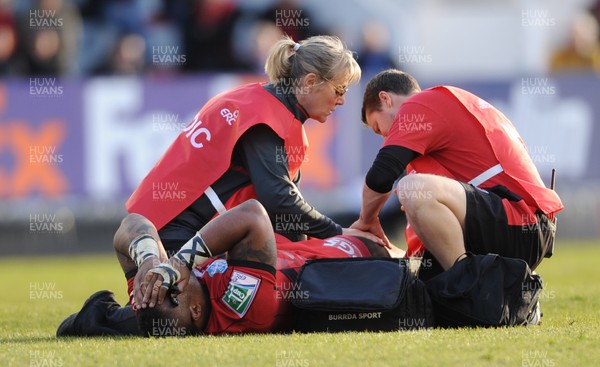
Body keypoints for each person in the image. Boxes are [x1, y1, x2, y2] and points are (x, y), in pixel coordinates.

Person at [125, 34, 380, 252]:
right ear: (311, 82)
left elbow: (285, 214)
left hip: (161, 225)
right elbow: (280, 201)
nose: (341, 101)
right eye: (339, 90)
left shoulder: (261, 103)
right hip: (169, 232)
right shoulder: (265, 118)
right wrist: (340, 233)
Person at [57, 200, 395, 336]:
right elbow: (251, 214)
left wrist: (148, 261)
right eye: (170, 285)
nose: (164, 280)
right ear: (195, 308)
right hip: (356, 256)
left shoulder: (155, 297)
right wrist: (178, 262)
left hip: (292, 248)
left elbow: (132, 223)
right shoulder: (241, 307)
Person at [351, 69, 563, 280]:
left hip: (519, 221)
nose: (385, 137)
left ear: (385, 98)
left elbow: (382, 174)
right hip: (517, 224)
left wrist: (366, 220)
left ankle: (466, 288)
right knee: (420, 283)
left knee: (412, 188)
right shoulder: (445, 111)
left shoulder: (420, 105)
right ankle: (498, 292)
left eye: (378, 128)